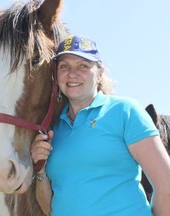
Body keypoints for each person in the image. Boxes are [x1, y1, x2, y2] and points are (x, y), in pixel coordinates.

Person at [31, 35, 170, 216]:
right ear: (56, 75)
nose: (72, 74)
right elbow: (50, 209)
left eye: (83, 66)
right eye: (64, 66)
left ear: (99, 73)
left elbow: (166, 184)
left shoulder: (125, 111)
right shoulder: (53, 130)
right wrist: (40, 168)